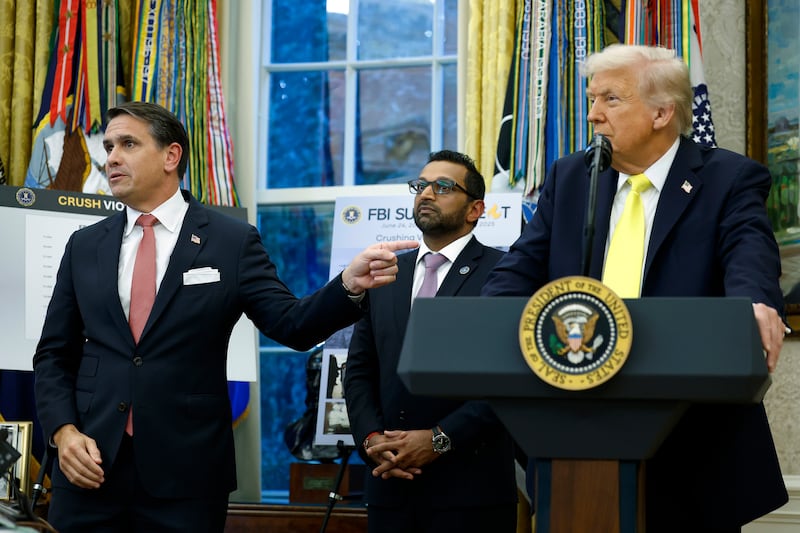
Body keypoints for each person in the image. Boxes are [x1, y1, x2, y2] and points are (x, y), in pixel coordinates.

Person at [32, 101, 418, 533]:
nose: (112, 157)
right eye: (109, 146)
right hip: (89, 468)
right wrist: (62, 432)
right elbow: (53, 355)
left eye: (128, 144)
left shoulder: (231, 242)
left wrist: (347, 284)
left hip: (186, 475)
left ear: (170, 156)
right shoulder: (84, 245)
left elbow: (291, 324)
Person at [481, 44, 788, 532]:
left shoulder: (726, 178)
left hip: (690, 438)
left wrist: (753, 303)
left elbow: (748, 252)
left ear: (662, 112)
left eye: (610, 99)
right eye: (591, 98)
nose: (592, 115)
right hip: (570, 423)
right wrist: (483, 321)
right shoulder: (571, 177)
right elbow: (520, 268)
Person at [344, 150, 518, 533]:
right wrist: (372, 440)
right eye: (420, 185)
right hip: (390, 487)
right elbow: (359, 370)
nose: (425, 194)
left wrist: (439, 440)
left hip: (470, 494)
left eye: (442, 187)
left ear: (475, 210)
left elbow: (507, 381)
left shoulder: (504, 275)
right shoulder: (386, 271)